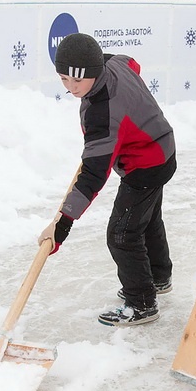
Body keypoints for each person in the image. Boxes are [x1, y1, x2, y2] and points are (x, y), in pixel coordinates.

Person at [39, 33, 177, 327]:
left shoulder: (102, 112)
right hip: (163, 147)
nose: (72, 88)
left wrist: (61, 224)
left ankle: (141, 302)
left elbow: (92, 176)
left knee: (122, 233)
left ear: (94, 72)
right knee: (147, 220)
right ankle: (158, 277)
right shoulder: (113, 63)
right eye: (64, 79)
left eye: (78, 81)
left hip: (146, 164)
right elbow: (133, 63)